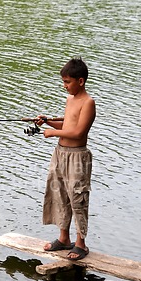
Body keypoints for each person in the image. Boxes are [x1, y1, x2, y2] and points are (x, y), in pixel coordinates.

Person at [35, 57, 96, 260]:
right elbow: (66, 126)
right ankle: (63, 239)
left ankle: (81, 244)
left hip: (77, 157)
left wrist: (52, 134)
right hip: (60, 153)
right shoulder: (70, 100)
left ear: (81, 81)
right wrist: (49, 122)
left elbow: (78, 132)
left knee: (77, 198)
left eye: (68, 82)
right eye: (63, 82)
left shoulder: (88, 103)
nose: (65, 86)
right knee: (59, 195)